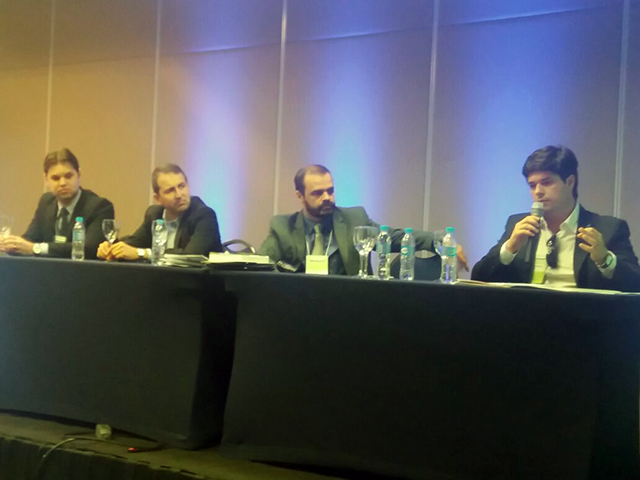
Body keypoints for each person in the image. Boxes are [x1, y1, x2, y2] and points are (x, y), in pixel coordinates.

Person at [471, 145, 640, 291]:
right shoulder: (518, 225)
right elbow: (479, 278)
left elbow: (635, 284)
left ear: (570, 182)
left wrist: (605, 259)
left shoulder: (607, 229)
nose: (538, 192)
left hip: (580, 315)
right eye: (532, 185)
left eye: (547, 182)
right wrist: (509, 248)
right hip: (527, 314)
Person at [259, 164, 469, 275]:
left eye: (330, 191)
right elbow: (260, 264)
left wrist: (440, 239)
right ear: (300, 196)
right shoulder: (282, 226)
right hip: (299, 308)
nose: (327, 198)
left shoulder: (354, 219)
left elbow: (393, 237)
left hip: (350, 307)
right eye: (318, 193)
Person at [0, 148, 114, 259]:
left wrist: (36, 248)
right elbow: (30, 240)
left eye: (68, 176)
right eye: (55, 178)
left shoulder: (99, 207)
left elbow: (88, 248)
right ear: (46, 179)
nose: (62, 183)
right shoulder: (46, 202)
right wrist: (11, 245)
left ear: (79, 174)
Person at [97, 164, 222, 261]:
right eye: (170, 190)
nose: (179, 195)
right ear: (158, 198)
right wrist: (112, 248)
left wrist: (143, 253)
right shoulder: (154, 214)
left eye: (182, 186)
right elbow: (134, 244)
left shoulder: (204, 215)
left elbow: (190, 257)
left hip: (198, 284)